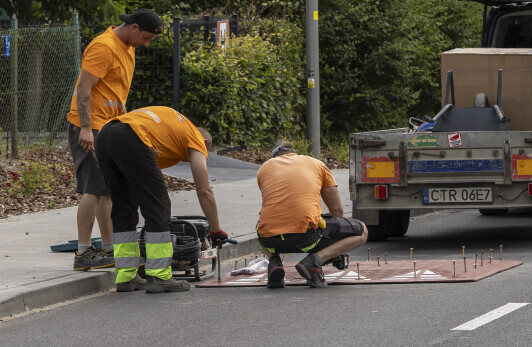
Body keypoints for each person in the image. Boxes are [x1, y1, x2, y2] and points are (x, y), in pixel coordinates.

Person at [66, 8, 163, 271]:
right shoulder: (104, 47)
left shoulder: (127, 47)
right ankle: (83, 253)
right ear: (133, 27)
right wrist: (86, 129)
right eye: (146, 38)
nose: (146, 44)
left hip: (110, 127)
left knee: (108, 189)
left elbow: (116, 95)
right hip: (90, 126)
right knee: (91, 189)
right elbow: (84, 88)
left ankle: (109, 249)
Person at [95, 106, 227, 293]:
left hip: (104, 136)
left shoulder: (172, 129)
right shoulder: (195, 137)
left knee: (124, 207)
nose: (189, 160)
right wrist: (215, 230)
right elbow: (204, 191)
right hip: (132, 135)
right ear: (204, 142)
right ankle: (159, 276)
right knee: (159, 207)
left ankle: (126, 276)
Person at [255, 144, 368, 289]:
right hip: (307, 238)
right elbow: (336, 210)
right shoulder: (316, 164)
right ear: (294, 154)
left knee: (261, 224)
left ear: (274, 158)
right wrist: (334, 249)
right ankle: (313, 262)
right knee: (361, 231)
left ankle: (274, 263)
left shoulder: (264, 168)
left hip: (270, 240)